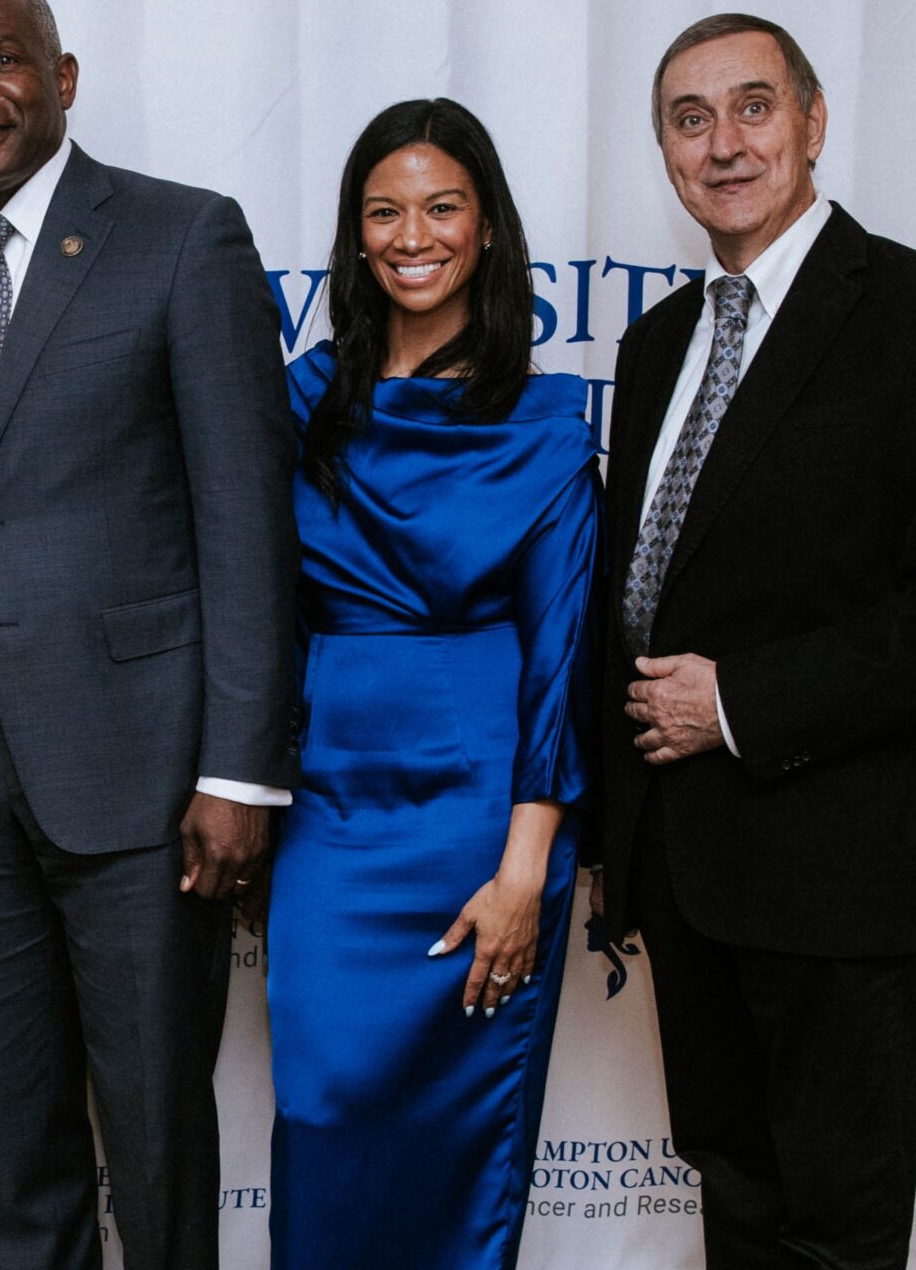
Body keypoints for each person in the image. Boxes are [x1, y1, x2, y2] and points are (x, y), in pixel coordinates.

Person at [0, 0, 299, 1270]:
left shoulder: (181, 237)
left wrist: (238, 768)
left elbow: (243, 515)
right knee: (10, 1153)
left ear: (62, 76)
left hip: (145, 777)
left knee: (155, 1143)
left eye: (0, 57)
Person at [595, 13, 916, 1269]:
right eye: (688, 119)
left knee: (838, 1237)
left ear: (812, 120)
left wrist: (739, 702)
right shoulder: (656, 342)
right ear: (664, 151)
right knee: (734, 1208)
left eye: (752, 106)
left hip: (836, 874)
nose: (721, 144)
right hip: (684, 871)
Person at [267, 99, 598, 1268]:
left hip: (479, 828)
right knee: (321, 1116)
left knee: (459, 1145)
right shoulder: (301, 402)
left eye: (441, 207)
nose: (412, 235)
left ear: (486, 226)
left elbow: (560, 661)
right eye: (383, 211)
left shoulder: (543, 427)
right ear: (355, 234)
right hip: (326, 817)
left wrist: (522, 872)